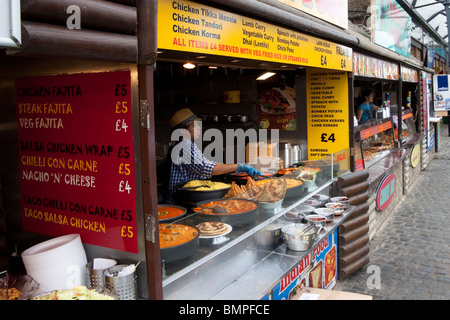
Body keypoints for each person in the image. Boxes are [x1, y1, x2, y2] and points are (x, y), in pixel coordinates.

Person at [163, 108, 262, 203]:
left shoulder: (179, 144)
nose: (199, 128)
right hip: (182, 201)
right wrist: (238, 166)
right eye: (194, 126)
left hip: (184, 197)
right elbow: (209, 168)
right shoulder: (185, 146)